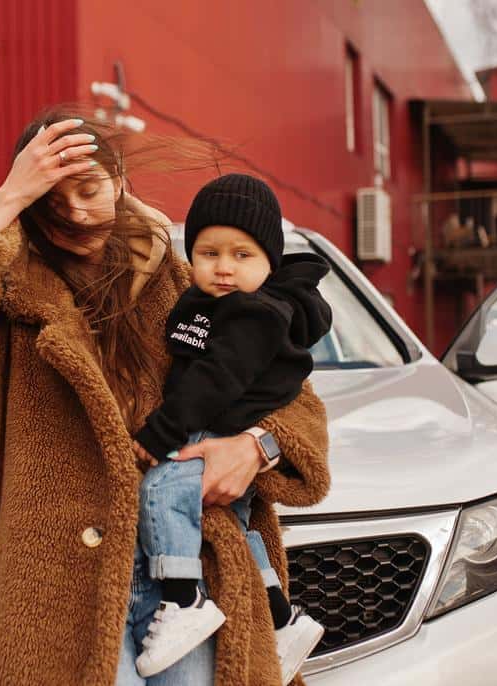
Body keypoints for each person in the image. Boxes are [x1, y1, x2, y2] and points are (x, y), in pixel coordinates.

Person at [0, 107, 332, 686]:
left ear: (120, 180)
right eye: (51, 198)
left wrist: (257, 446)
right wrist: (7, 198)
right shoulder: (2, 288)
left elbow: (293, 395)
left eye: (90, 189)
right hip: (45, 588)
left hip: (186, 582)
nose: (73, 210)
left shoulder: (188, 279)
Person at [129, 174, 331, 683]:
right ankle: (281, 619)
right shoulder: (217, 304)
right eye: (209, 253)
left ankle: (183, 599)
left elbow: (214, 382)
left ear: (270, 263)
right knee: (239, 533)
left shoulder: (253, 314)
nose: (223, 268)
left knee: (159, 490)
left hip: (209, 435)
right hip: (216, 437)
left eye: (242, 255)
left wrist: (162, 433)